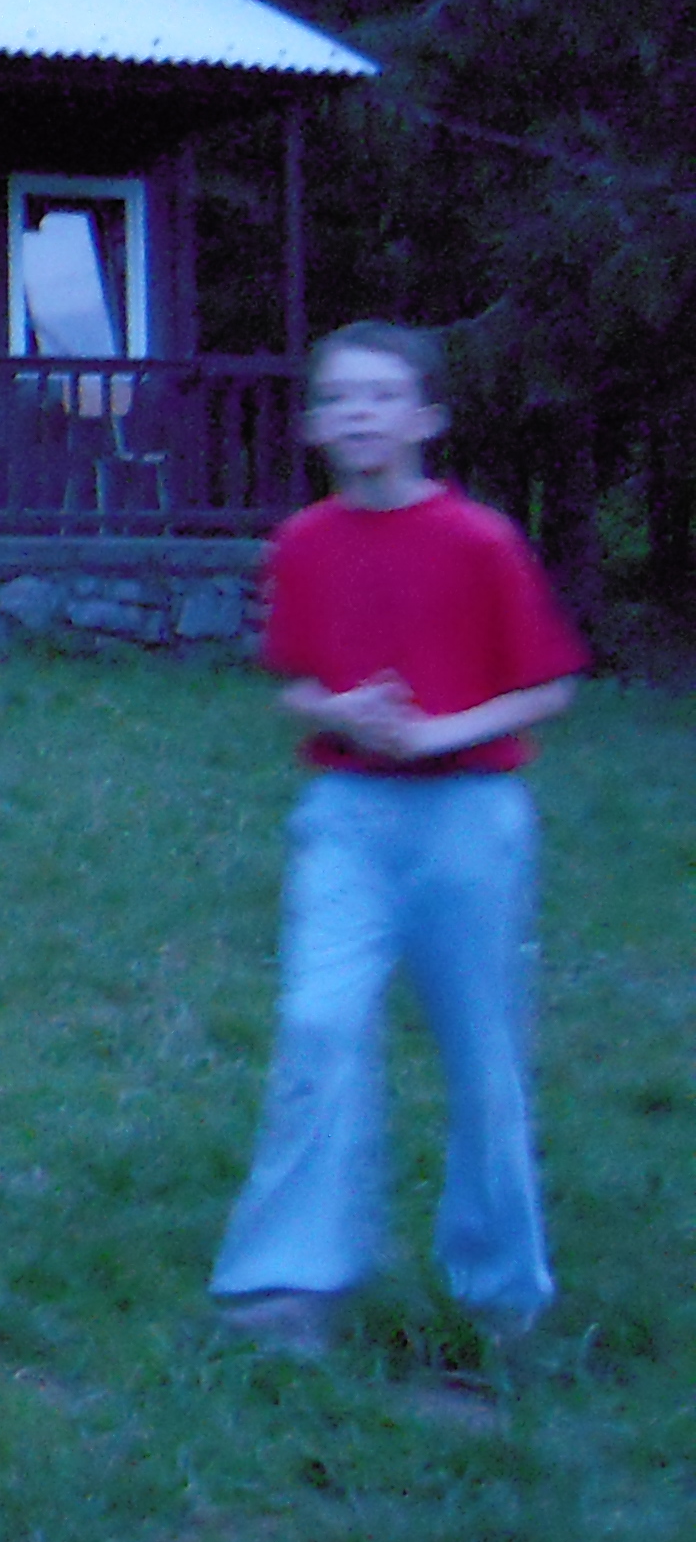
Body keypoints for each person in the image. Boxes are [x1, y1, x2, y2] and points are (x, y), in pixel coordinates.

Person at [209, 321, 579, 1356]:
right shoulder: (304, 543)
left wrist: (435, 733)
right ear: (316, 424)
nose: (359, 413)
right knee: (319, 1026)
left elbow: (547, 687)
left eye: (381, 395)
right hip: (348, 816)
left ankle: (502, 1289)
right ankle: (289, 1281)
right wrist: (344, 713)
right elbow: (293, 681)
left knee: (484, 1053)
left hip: (468, 816)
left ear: (426, 418)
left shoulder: (480, 542)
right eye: (339, 397)